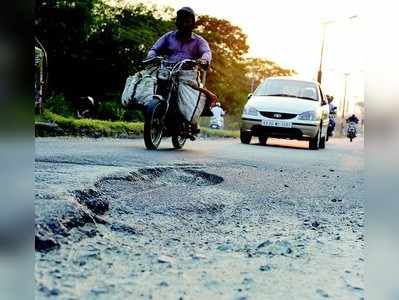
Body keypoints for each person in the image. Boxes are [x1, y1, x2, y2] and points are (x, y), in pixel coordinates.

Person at [147, 7, 212, 134]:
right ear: (176, 22)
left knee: (193, 96)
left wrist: (204, 60)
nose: (183, 23)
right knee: (149, 85)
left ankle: (193, 121)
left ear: (193, 23)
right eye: (180, 20)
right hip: (167, 71)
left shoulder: (199, 41)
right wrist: (151, 56)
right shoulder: (168, 37)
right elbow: (154, 49)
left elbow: (206, 52)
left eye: (187, 20)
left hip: (187, 75)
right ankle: (154, 113)